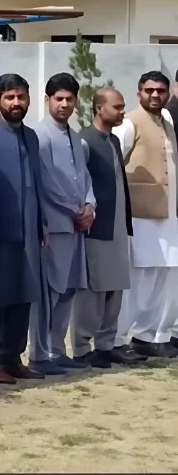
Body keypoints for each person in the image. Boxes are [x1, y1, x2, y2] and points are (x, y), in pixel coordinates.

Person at [0, 74, 46, 384]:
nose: (16, 103)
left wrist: (40, 225)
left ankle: (12, 358)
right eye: (9, 97)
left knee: (22, 295)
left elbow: (36, 183)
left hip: (27, 230)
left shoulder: (32, 136)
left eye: (21, 97)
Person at [30, 72, 95, 375]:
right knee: (49, 292)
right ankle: (40, 353)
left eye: (70, 99)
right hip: (54, 226)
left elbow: (85, 178)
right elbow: (47, 182)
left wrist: (90, 206)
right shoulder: (39, 136)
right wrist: (75, 210)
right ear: (47, 100)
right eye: (59, 99)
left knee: (69, 289)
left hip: (77, 226)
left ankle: (57, 349)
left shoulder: (76, 139)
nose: (64, 104)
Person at [74, 88, 146, 366]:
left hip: (117, 226)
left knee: (115, 288)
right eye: (117, 107)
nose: (122, 112)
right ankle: (82, 348)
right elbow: (79, 184)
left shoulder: (114, 140)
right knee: (94, 290)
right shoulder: (85, 141)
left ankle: (106, 345)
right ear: (99, 109)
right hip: (96, 227)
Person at [112, 71, 178, 358]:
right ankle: (117, 339)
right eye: (149, 90)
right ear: (139, 93)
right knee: (137, 282)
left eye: (160, 91)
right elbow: (113, 163)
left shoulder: (167, 122)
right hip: (139, 217)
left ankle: (149, 336)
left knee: (164, 276)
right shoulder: (129, 124)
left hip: (167, 217)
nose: (155, 95)